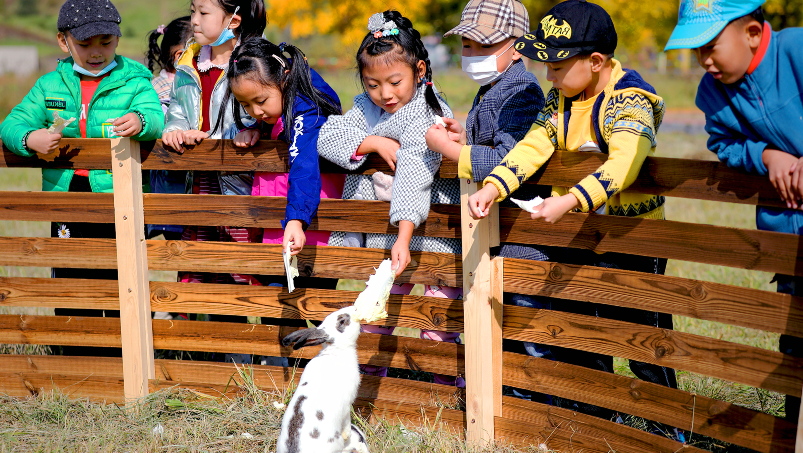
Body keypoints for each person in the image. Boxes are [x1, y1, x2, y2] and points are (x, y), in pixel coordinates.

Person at [467, 0, 681, 434]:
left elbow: (625, 162)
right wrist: (493, 186)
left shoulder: (629, 102)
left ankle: (669, 423)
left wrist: (569, 200)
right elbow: (531, 147)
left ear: (596, 61)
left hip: (631, 241)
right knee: (587, 329)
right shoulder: (560, 101)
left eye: (557, 65)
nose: (548, 75)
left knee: (641, 334)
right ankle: (596, 416)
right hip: (582, 239)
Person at [664, 0, 802, 424]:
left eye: (711, 46)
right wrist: (765, 155)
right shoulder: (712, 92)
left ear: (754, 34)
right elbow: (723, 143)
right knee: (796, 334)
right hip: (787, 231)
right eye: (696, 50)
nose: (704, 60)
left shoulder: (797, 52)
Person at [0, 0, 164, 357]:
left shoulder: (135, 79)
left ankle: (127, 352)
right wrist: (30, 139)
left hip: (117, 195)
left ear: (117, 39)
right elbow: (11, 123)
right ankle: (75, 350)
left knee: (121, 273)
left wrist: (140, 120)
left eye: (105, 43)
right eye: (86, 44)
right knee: (72, 271)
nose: (96, 52)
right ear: (64, 41)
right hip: (67, 196)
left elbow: (155, 114)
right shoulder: (49, 85)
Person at [317, 10, 464, 386]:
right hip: (386, 236)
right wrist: (374, 142)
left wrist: (403, 236)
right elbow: (327, 136)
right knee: (378, 312)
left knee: (435, 318)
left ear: (418, 71)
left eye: (394, 81)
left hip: (430, 234)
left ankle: (445, 388)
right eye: (372, 84)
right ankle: (372, 386)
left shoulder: (429, 112)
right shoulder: (366, 110)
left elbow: (414, 172)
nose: (385, 93)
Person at [424, 0, 546, 399]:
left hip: (523, 231)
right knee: (503, 319)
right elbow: (489, 146)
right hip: (499, 227)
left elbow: (508, 160)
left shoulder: (522, 92)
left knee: (527, 326)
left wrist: (452, 151)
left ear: (517, 46)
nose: (471, 54)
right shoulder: (492, 87)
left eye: (482, 46)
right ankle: (511, 400)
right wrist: (465, 139)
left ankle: (538, 402)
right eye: (466, 45)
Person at [212, 38, 342, 365]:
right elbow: (278, 124)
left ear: (283, 77)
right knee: (279, 300)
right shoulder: (282, 107)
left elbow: (303, 164)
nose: (256, 111)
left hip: (306, 228)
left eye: (260, 101)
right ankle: (285, 373)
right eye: (246, 107)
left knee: (313, 303)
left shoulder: (307, 108)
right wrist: (257, 127)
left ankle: (320, 369)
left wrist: (296, 219)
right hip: (284, 225)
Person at [160, 0, 266, 363]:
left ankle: (243, 358)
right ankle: (201, 355)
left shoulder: (249, 61)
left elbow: (260, 111)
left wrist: (252, 132)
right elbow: (176, 109)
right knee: (199, 263)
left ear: (232, 20)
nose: (194, 20)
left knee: (236, 267)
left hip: (235, 184)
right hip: (197, 181)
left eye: (203, 12)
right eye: (193, 10)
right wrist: (175, 130)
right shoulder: (188, 61)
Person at [145, 16, 193, 242]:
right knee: (181, 246)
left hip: (183, 182)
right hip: (172, 183)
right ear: (179, 56)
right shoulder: (163, 88)